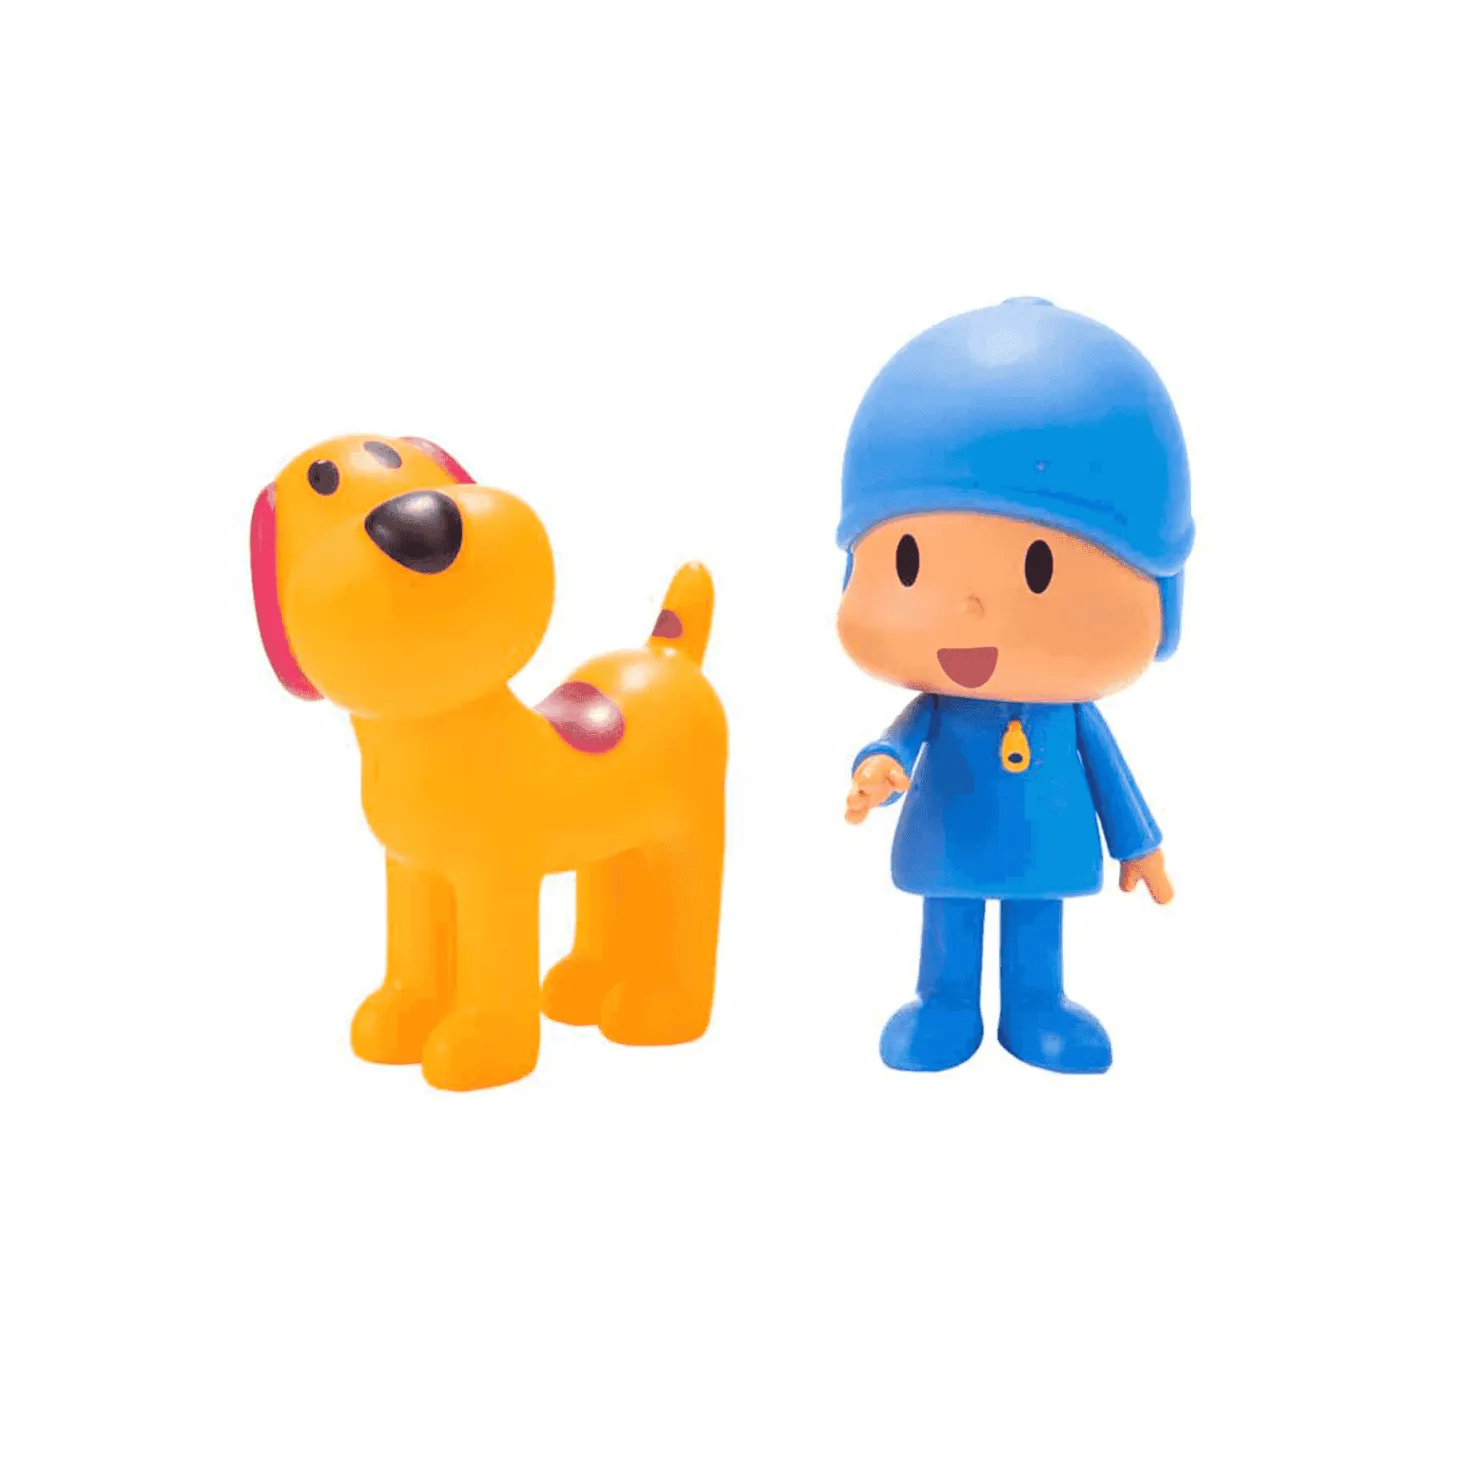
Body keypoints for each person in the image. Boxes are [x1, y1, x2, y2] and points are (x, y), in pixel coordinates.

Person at [838, 297, 1194, 1074]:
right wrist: (877, 767)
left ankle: (1035, 1005)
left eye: (1040, 569)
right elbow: (898, 740)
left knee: (1037, 923)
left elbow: (1111, 775)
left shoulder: (1071, 715)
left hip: (1043, 842)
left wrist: (1139, 844)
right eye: (908, 563)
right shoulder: (937, 706)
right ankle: (946, 1002)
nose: (969, 611)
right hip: (952, 835)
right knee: (951, 921)